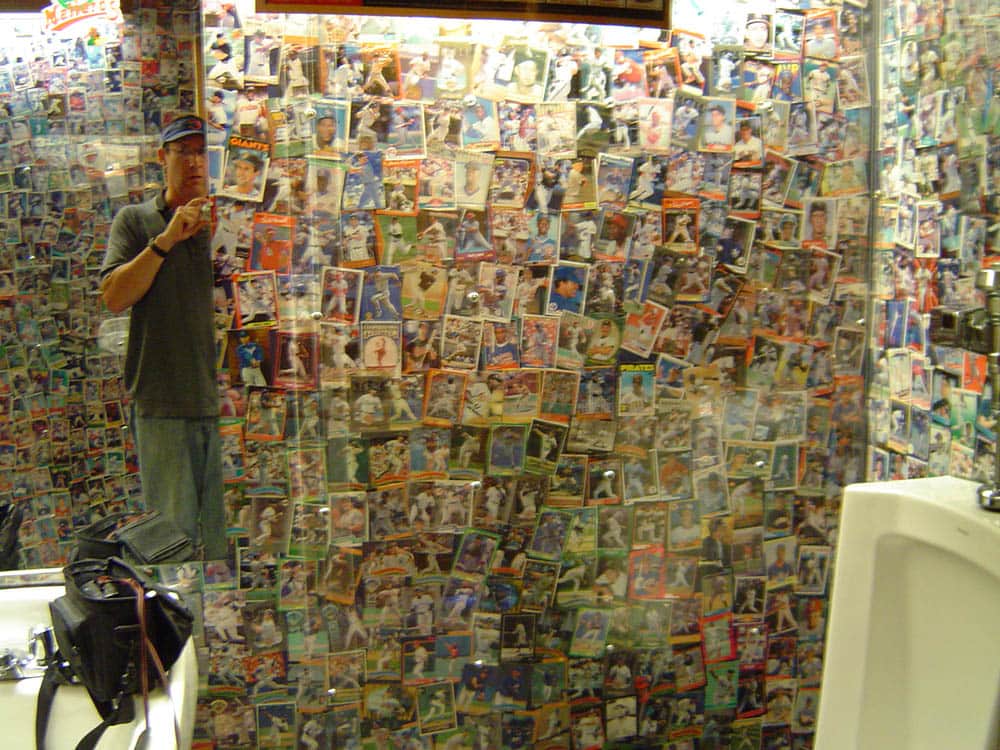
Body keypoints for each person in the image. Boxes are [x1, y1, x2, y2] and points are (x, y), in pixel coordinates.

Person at [99, 115, 226, 560]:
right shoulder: (136, 220)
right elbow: (114, 297)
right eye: (184, 151)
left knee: (225, 548)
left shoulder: (232, 226)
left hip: (229, 410)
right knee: (172, 550)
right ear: (163, 157)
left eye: (202, 151)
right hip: (164, 406)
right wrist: (166, 239)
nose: (195, 161)